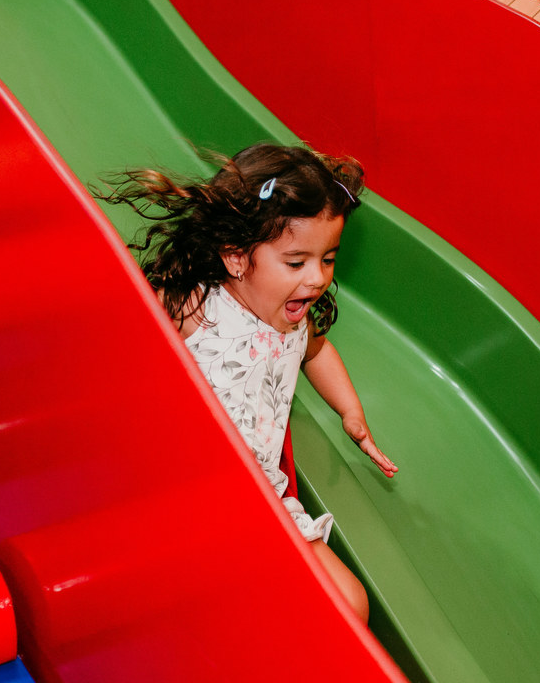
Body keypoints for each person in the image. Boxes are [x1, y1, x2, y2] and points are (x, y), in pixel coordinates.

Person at [100, 142, 397, 622]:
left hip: (261, 502)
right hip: (185, 488)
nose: (317, 278)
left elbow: (318, 353)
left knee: (350, 601)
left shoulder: (298, 323)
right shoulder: (200, 307)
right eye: (297, 262)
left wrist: (350, 412)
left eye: (328, 258)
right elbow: (126, 329)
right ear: (236, 257)